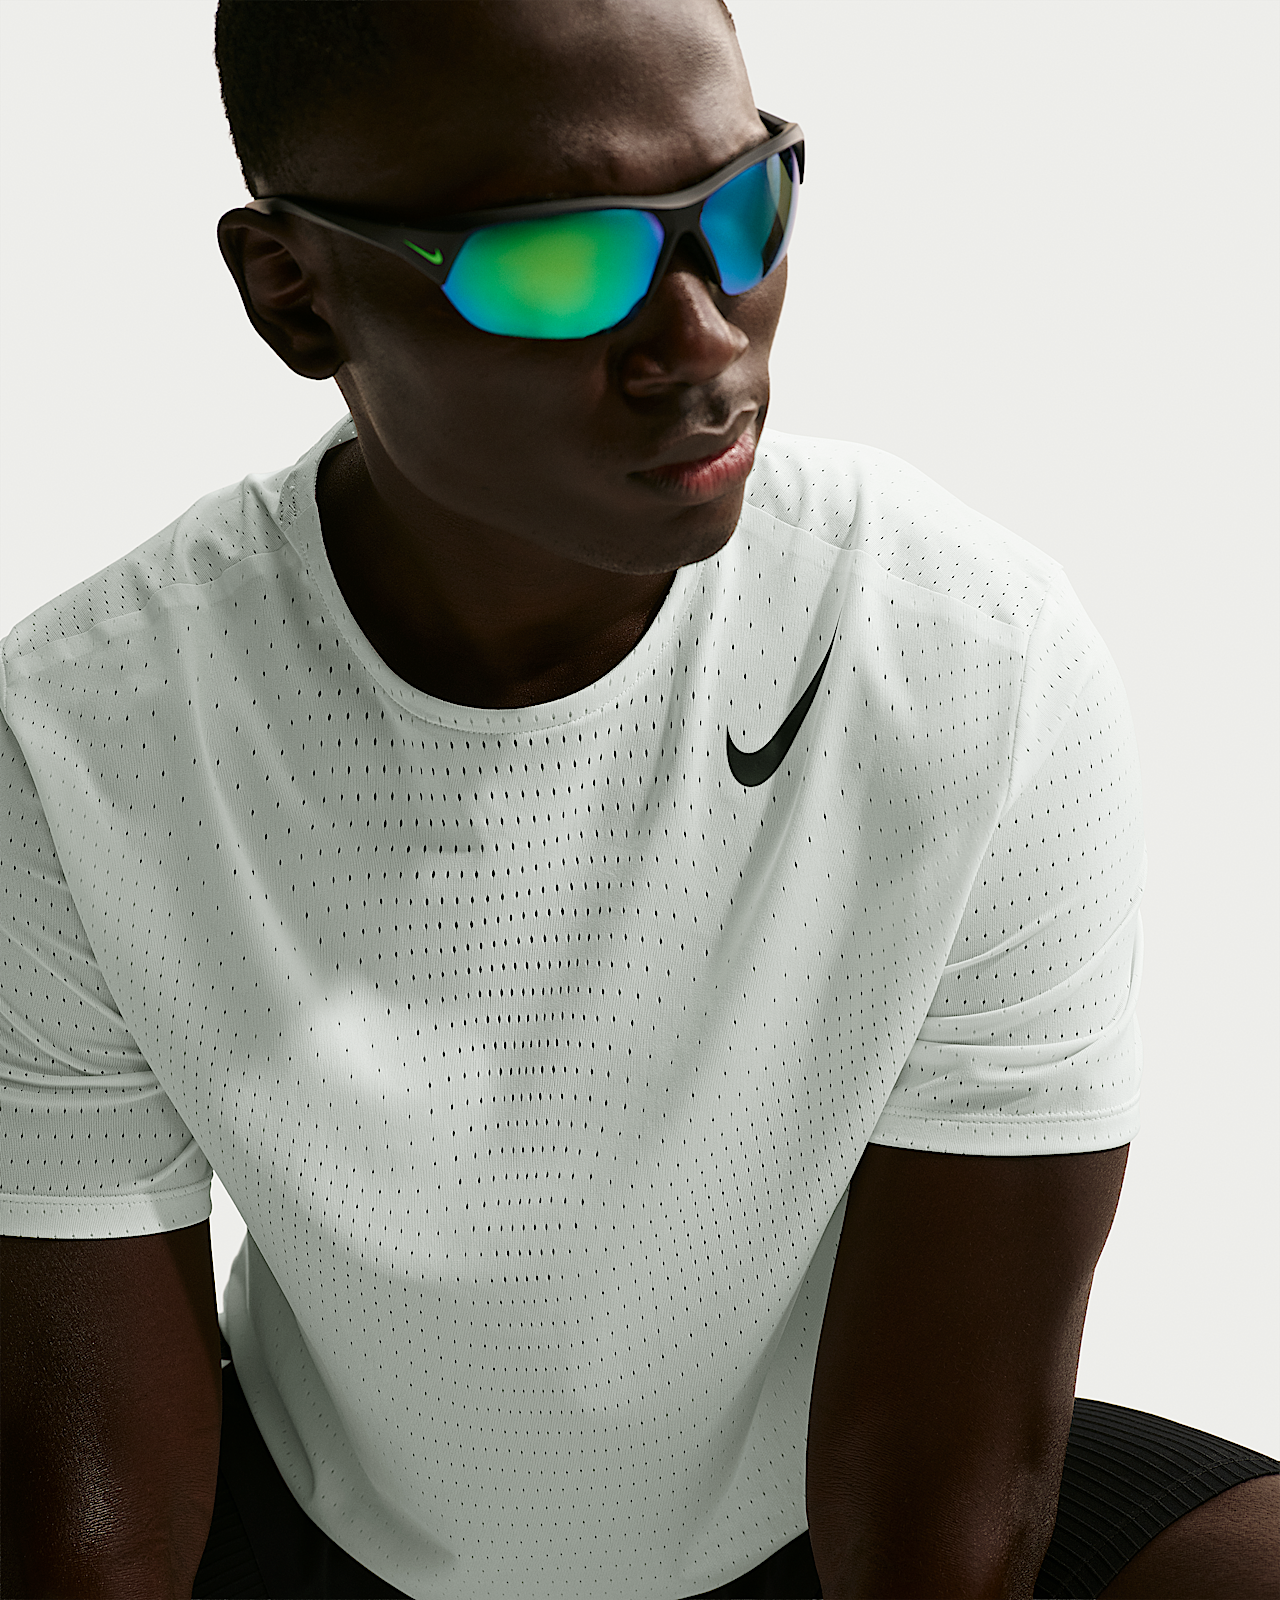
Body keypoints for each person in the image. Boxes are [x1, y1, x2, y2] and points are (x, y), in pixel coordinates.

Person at [0, 2, 1275, 1597]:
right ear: (293, 290)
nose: (702, 338)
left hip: (831, 1497)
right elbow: (86, 1517)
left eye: (739, 213)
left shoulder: (967, 660)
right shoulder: (86, 740)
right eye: (560, 262)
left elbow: (946, 1507)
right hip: (318, 1532)